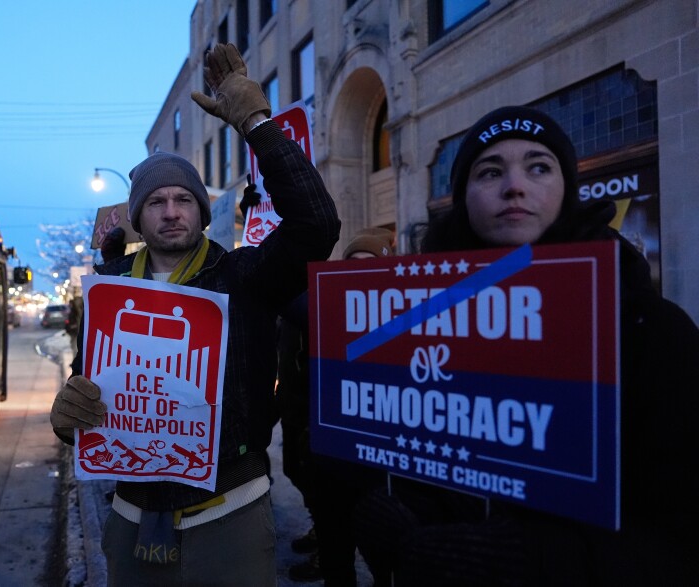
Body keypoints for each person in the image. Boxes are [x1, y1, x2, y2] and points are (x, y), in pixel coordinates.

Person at [353, 105, 699, 585]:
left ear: (566, 189)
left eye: (538, 166)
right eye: (490, 171)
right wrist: (382, 505)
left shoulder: (650, 331)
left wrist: (527, 559)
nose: (514, 186)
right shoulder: (419, 326)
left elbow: (681, 540)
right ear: (463, 197)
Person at [50, 42, 340, 586]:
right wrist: (69, 415)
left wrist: (255, 121)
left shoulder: (244, 276)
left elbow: (317, 224)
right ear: (138, 215)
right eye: (156, 202)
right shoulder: (109, 289)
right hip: (132, 517)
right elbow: (91, 384)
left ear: (201, 212)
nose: (171, 211)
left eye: (183, 199)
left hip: (230, 510)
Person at [281, 228, 394, 585]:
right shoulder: (323, 306)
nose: (360, 273)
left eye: (370, 265)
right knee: (335, 550)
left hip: (379, 462)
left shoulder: (402, 314)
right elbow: (288, 299)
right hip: (330, 455)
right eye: (353, 264)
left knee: (383, 553)